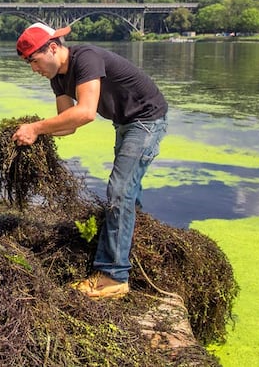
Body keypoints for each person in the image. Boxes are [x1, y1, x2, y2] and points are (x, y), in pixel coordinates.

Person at [11, 22, 167, 300]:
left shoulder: (86, 58)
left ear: (54, 48)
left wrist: (35, 128)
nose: (34, 69)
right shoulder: (57, 78)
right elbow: (68, 125)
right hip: (125, 122)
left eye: (34, 61)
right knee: (127, 190)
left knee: (119, 190)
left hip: (146, 120)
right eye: (29, 64)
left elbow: (85, 113)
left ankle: (114, 276)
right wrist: (34, 135)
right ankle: (130, 240)